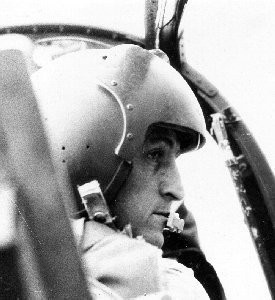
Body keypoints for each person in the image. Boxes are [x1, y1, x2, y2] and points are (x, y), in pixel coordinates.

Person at [32, 44, 224, 299]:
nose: (176, 190)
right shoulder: (165, 285)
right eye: (155, 155)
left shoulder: (27, 273)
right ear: (89, 154)